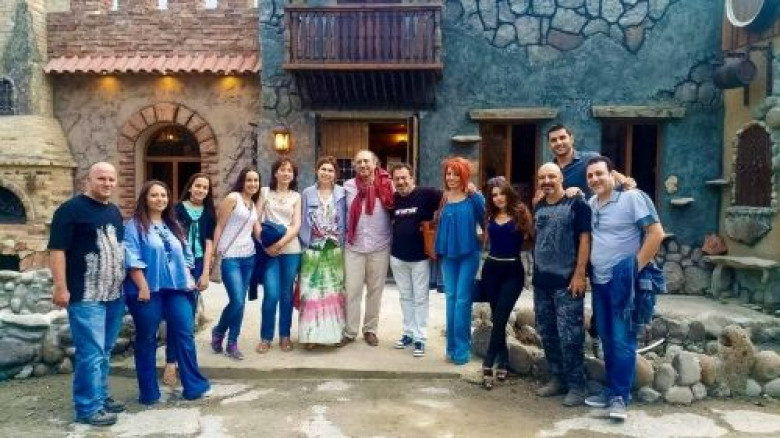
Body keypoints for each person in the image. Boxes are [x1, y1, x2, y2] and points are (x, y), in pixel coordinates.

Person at [583, 156, 665, 421]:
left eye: (599, 173)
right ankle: (611, 391)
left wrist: (633, 269)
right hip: (599, 282)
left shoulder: (632, 198)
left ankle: (620, 397)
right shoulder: (592, 204)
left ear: (612, 174)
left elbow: (656, 233)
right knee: (606, 337)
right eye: (590, 176)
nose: (594, 179)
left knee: (622, 338)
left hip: (623, 283)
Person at [48, 162, 127, 426]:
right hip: (86, 295)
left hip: (114, 294)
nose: (107, 183)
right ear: (88, 180)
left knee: (104, 351)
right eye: (101, 178)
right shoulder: (70, 210)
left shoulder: (114, 211)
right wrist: (61, 287)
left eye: (111, 179)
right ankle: (87, 408)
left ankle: (100, 397)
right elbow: (57, 250)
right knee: (90, 353)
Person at [124, 180, 211, 405]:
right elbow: (131, 257)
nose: (160, 199)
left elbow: (187, 253)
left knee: (184, 333)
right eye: (154, 195)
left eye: (163, 195)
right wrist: (142, 285)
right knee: (147, 338)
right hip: (148, 290)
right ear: (145, 199)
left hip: (177, 289)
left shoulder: (173, 224)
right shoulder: (134, 226)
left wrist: (188, 275)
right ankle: (148, 393)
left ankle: (194, 386)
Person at [532, 163, 591, 406]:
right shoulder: (538, 205)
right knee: (548, 333)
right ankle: (558, 379)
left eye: (551, 176)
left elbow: (585, 240)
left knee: (570, 337)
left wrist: (580, 274)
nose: (546, 181)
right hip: (541, 282)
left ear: (561, 178)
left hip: (567, 282)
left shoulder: (577, 204)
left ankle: (578, 386)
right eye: (542, 177)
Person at [162, 173, 216, 386]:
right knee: (176, 315)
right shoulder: (176, 209)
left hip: (198, 264)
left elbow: (209, 242)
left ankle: (183, 363)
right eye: (198, 186)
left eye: (205, 187)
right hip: (179, 265)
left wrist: (206, 272)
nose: (201, 190)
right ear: (190, 187)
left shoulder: (208, 213)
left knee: (188, 316)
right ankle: (170, 362)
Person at [481, 177, 532, 388]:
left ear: (508, 193)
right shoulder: (490, 215)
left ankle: (488, 362)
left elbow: (531, 238)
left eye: (502, 193)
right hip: (491, 271)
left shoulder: (521, 213)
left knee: (501, 317)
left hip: (513, 272)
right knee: (498, 318)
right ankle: (503, 360)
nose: (498, 198)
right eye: (494, 195)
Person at [435, 157, 485, 365]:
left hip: (469, 253)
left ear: (465, 175)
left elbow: (486, 220)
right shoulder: (444, 197)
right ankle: (451, 348)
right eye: (449, 173)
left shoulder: (474, 197)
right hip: (448, 254)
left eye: (456, 174)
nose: (451, 177)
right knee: (451, 298)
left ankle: (462, 349)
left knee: (463, 299)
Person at [389, 163, 443, 358]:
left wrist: (469, 189)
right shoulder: (393, 199)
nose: (401, 182)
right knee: (405, 297)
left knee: (420, 298)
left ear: (412, 178)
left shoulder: (426, 194)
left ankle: (420, 337)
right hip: (397, 256)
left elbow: (448, 197)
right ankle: (408, 333)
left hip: (420, 257)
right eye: (397, 179)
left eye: (404, 178)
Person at [342, 150, 394, 347]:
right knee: (352, 290)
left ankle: (370, 329)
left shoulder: (388, 185)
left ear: (375, 163)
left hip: (379, 245)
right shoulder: (347, 187)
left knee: (375, 290)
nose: (363, 165)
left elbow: (408, 194)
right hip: (354, 247)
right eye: (359, 162)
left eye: (366, 161)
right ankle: (350, 331)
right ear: (354, 166)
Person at [211, 166, 261, 360]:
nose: (253, 184)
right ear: (242, 181)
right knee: (237, 301)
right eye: (249, 180)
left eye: (256, 180)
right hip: (230, 256)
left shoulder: (253, 205)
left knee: (240, 303)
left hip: (249, 257)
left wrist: (275, 244)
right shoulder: (233, 198)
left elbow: (256, 232)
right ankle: (219, 331)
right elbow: (219, 226)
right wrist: (214, 253)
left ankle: (232, 342)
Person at [298, 156, 347, 348]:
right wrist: (305, 243)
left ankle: (333, 335)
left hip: (334, 249)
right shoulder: (307, 193)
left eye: (330, 170)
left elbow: (346, 219)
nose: (326, 173)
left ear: (336, 174)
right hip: (313, 248)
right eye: (323, 169)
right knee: (310, 292)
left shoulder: (342, 193)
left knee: (333, 292)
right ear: (316, 171)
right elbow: (302, 220)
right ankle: (310, 336)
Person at [256, 158, 303, 353]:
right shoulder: (264, 192)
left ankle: (285, 335)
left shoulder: (296, 196)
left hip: (291, 250)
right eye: (282, 170)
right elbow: (255, 220)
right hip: (269, 251)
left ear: (293, 175)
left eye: (290, 170)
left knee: (286, 294)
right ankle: (266, 337)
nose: (286, 173)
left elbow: (296, 225)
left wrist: (280, 244)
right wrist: (264, 244)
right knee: (271, 293)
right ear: (275, 173)